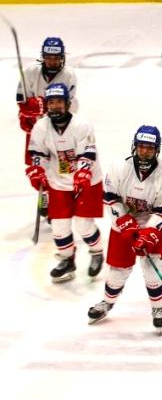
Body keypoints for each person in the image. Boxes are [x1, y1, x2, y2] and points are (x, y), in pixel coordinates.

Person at [87, 126, 162, 332]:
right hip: (123, 218)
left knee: (151, 267)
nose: (145, 151)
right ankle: (107, 303)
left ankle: (158, 309)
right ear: (134, 147)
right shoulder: (119, 167)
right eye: (141, 147)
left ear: (157, 149)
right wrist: (125, 222)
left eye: (150, 148)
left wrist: (149, 233)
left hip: (154, 222)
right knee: (119, 268)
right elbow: (109, 198)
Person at [25, 83, 103, 282]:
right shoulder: (41, 126)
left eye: (59, 101)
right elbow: (37, 153)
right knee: (59, 226)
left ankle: (96, 252)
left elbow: (88, 153)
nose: (55, 106)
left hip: (87, 181)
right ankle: (67, 260)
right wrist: (38, 169)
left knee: (84, 225)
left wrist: (82, 173)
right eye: (51, 102)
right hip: (58, 182)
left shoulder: (81, 125)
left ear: (68, 103)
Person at [17, 37, 79, 217]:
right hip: (38, 128)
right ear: (43, 56)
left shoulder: (68, 74)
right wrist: (25, 115)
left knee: (64, 166)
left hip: (62, 127)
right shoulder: (30, 71)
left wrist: (42, 105)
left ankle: (63, 198)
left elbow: (70, 104)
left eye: (56, 57)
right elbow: (21, 100)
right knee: (37, 165)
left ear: (62, 57)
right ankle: (45, 194)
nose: (52, 61)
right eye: (49, 57)